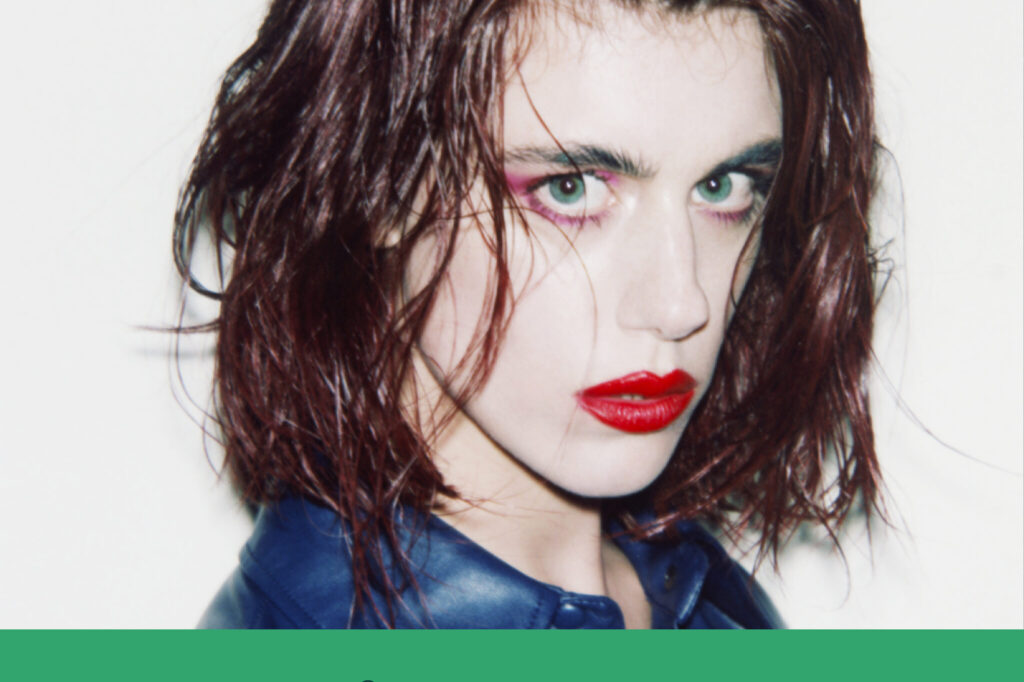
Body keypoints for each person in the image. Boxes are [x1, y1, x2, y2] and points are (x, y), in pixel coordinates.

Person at [176, 0, 880, 629]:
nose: (680, 304)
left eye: (722, 188)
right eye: (570, 189)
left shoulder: (706, 597)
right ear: (376, 186)